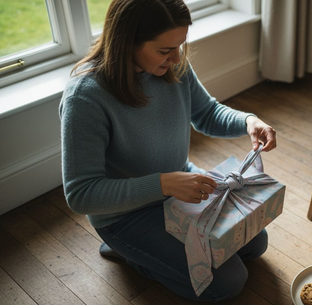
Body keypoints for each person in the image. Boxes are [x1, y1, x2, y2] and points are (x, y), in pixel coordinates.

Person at [59, 0, 277, 302]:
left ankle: (147, 251)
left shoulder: (173, 65)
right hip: (125, 215)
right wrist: (164, 184)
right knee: (227, 282)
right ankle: (129, 252)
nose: (176, 58)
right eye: (165, 50)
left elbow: (207, 114)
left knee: (256, 242)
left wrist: (249, 122)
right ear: (127, 42)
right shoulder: (86, 98)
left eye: (180, 46)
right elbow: (81, 194)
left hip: (179, 188)